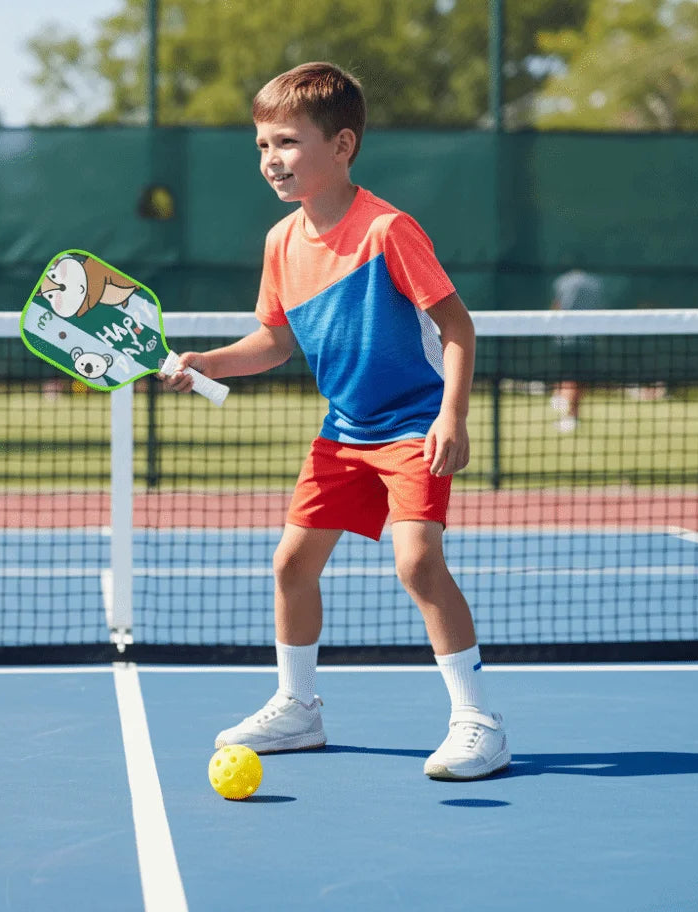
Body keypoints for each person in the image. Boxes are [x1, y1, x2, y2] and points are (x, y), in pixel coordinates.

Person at [160, 62, 509, 781]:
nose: (270, 161)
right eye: (261, 146)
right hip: (344, 430)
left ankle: (478, 722)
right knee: (291, 563)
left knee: (416, 560)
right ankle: (298, 708)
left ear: (342, 145)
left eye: (286, 143)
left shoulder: (388, 230)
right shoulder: (281, 243)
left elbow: (458, 329)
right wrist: (207, 362)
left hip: (413, 424)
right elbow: (275, 341)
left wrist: (452, 415)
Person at [550, 267, 604, 433]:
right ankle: (571, 412)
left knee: (571, 376)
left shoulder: (561, 281)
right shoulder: (596, 283)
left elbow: (556, 306)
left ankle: (570, 416)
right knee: (578, 377)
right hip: (587, 339)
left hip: (567, 338)